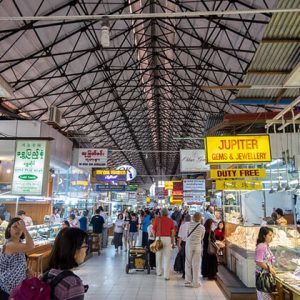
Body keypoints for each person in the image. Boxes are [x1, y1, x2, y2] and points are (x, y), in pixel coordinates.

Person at [44, 227, 88, 299]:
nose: (86, 249)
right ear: (74, 252)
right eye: (85, 246)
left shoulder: (48, 274)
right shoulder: (73, 284)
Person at [0, 218, 34, 299]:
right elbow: (30, 246)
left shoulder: (19, 245)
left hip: (16, 289)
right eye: (15, 227)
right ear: (9, 229)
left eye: (20, 228)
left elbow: (16, 262)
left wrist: (26, 269)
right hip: (7, 289)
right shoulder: (10, 245)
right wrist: (24, 229)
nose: (18, 230)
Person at [153, 207, 175, 280]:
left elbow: (153, 230)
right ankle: (166, 275)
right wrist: (172, 240)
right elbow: (172, 232)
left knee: (158, 256)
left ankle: (159, 272)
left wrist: (154, 238)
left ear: (161, 213)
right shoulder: (170, 220)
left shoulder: (157, 220)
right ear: (167, 213)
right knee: (167, 257)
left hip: (158, 238)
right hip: (167, 239)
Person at [184, 213, 205, 288]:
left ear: (193, 218)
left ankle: (187, 281)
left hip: (189, 245)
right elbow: (202, 237)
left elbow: (187, 234)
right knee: (196, 264)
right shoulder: (202, 227)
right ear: (200, 218)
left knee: (188, 263)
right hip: (197, 246)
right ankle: (196, 283)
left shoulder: (189, 225)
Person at [255, 227, 276, 300]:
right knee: (263, 296)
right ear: (264, 236)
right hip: (263, 276)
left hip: (266, 274)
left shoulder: (266, 245)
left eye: (272, 235)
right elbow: (259, 261)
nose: (271, 237)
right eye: (269, 235)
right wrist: (269, 268)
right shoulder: (261, 246)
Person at [176, 214, 191, 278]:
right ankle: (190, 274)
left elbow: (180, 237)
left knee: (184, 259)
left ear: (185, 219)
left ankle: (185, 274)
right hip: (191, 243)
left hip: (184, 243)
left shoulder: (182, 226)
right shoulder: (192, 225)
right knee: (190, 259)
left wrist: (179, 245)